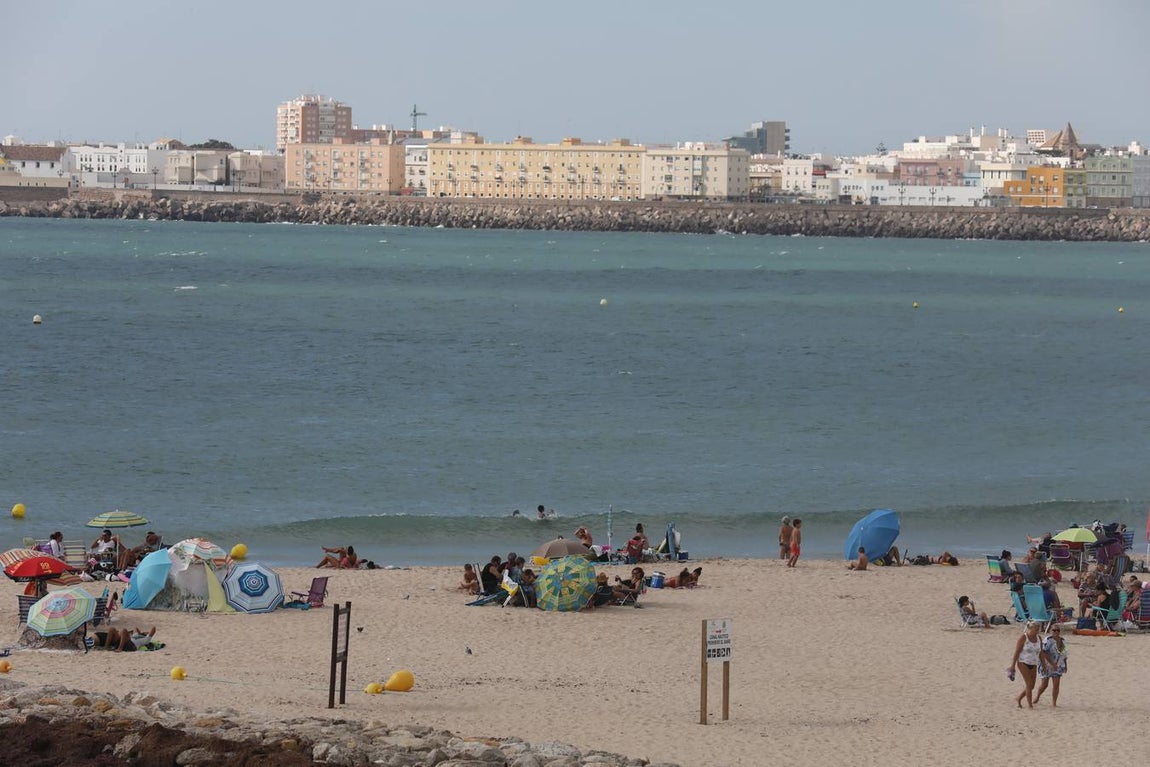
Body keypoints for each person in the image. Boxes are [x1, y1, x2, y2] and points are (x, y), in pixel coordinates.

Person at [1010, 621, 1045, 708]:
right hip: (1023, 663)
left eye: (1038, 629)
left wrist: (1044, 664)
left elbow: (1041, 653)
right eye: (1035, 629)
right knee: (1029, 684)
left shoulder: (1039, 638)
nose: (1037, 630)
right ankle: (1030, 705)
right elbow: (1017, 652)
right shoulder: (1023, 637)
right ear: (1030, 628)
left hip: (1034, 663)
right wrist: (1012, 666)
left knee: (1032, 686)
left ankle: (1019, 698)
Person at [1033, 626, 1067, 707]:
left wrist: (1065, 664)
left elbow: (1064, 654)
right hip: (1046, 665)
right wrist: (1052, 664)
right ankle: (1037, 697)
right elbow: (1044, 653)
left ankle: (1054, 703)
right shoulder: (1048, 640)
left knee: (1056, 684)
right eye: (1054, 630)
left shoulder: (1062, 640)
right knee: (1045, 685)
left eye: (1057, 630)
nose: (1056, 632)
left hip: (1058, 665)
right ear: (1050, 631)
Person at [93, 626, 158, 652]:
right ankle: (106, 647)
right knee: (112, 629)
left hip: (130, 645)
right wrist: (140, 632)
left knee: (123, 630)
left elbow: (153, 629)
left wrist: (148, 633)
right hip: (123, 641)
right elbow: (135, 628)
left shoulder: (145, 640)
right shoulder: (136, 635)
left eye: (147, 632)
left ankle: (120, 648)